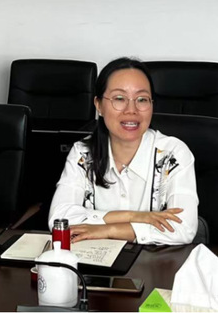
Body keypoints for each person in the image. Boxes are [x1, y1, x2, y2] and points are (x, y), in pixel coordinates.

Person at [48, 57, 198, 245]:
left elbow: (183, 228)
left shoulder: (173, 154)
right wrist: (135, 217)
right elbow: (59, 220)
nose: (131, 110)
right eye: (119, 98)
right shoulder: (83, 153)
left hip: (154, 261)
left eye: (142, 99)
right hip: (93, 260)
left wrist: (107, 230)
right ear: (99, 105)